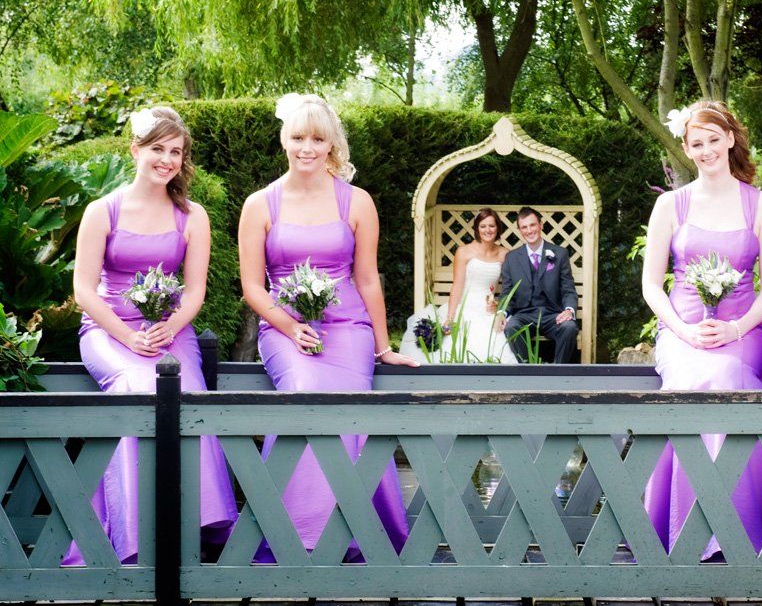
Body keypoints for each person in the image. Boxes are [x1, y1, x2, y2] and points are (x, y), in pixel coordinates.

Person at [238, 93, 415, 559]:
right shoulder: (260, 204)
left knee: (351, 409)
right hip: (285, 330)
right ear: (285, 140)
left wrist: (382, 347)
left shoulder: (357, 202)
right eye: (299, 137)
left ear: (332, 144)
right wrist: (290, 327)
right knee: (304, 393)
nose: (308, 148)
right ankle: (296, 538)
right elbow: (254, 289)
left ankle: (360, 541)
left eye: (318, 138)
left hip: (348, 329)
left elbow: (368, 278)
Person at [69, 106, 237, 564]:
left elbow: (197, 290)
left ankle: (194, 525)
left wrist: (170, 326)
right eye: (157, 149)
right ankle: (135, 534)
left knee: (188, 391)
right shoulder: (102, 211)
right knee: (140, 389)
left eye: (176, 152)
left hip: (169, 330)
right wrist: (128, 337)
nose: (166, 159)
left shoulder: (191, 215)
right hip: (109, 331)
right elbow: (84, 291)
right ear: (135, 150)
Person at [641, 101, 762, 558]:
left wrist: (737, 328)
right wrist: (682, 331)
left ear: (731, 139)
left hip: (742, 332)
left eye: (713, 140)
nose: (706, 151)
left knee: (725, 380)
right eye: (696, 143)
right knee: (691, 384)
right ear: (685, 148)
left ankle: (732, 531)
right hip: (681, 333)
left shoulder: (761, 205)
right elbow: (651, 285)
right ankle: (689, 529)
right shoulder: (670, 204)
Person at [399, 207, 518, 363]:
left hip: (487, 310)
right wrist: (450, 316)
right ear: (477, 229)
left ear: (498, 228)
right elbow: (457, 285)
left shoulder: (505, 254)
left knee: (494, 335)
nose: (488, 230)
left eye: (491, 226)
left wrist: (498, 305)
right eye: (483, 226)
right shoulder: (464, 252)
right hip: (464, 306)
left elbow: (509, 287)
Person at [497, 207, 579, 363]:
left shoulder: (559, 254)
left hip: (552, 314)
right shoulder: (511, 258)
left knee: (569, 327)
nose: (529, 230)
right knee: (511, 327)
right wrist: (502, 312)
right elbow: (507, 292)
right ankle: (530, 370)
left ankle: (557, 371)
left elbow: (568, 288)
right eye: (524, 227)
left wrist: (569, 310)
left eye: (532, 225)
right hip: (524, 314)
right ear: (520, 230)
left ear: (540, 225)